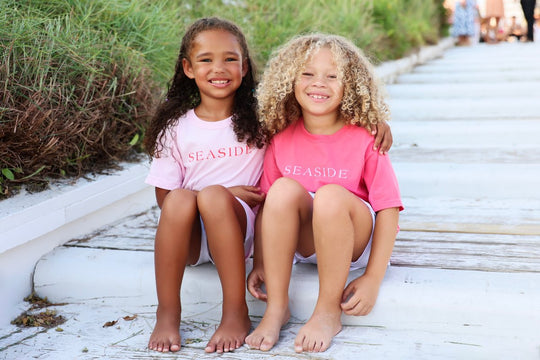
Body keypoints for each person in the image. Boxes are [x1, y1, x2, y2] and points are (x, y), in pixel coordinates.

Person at [245, 34, 403, 353]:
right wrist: (260, 260)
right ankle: (277, 308)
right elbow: (266, 208)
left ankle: (328, 311)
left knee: (330, 195)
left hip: (352, 241)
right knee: (283, 189)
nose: (319, 84)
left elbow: (388, 208)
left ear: (350, 85)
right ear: (290, 80)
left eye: (333, 76)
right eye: (307, 74)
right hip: (307, 241)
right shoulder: (281, 139)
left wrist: (373, 277)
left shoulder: (366, 137)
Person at [143, 17, 267, 353]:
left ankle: (235, 312)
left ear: (244, 67)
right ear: (187, 68)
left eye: (230, 58)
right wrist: (223, 192)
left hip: (241, 233)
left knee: (213, 197)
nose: (219, 68)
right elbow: (164, 198)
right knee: (181, 200)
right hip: (193, 240)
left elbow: (316, 120)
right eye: (206, 59)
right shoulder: (176, 128)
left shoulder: (263, 120)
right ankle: (168, 313)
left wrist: (375, 121)